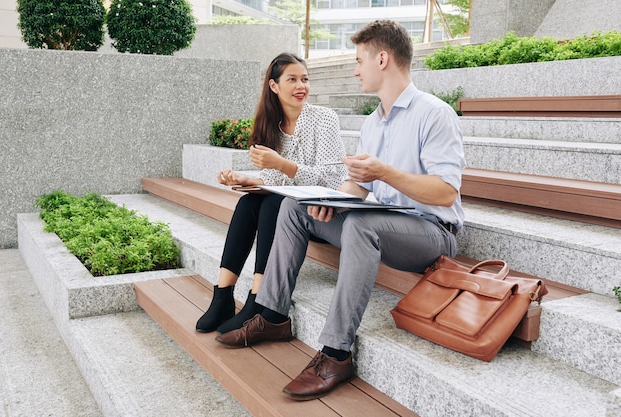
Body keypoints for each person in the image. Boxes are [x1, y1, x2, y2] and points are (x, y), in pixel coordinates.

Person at [215, 20, 466, 400]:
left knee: (362, 226)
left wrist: (384, 172)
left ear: (382, 59)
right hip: (387, 222)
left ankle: (336, 352)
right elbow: (358, 187)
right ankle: (272, 314)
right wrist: (331, 201)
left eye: (359, 60)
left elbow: (446, 192)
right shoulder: (373, 123)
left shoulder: (434, 114)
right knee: (294, 208)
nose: (355, 68)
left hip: (431, 231)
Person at [195, 52, 347, 334]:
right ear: (274, 86)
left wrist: (282, 164)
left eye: (305, 79)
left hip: (317, 212)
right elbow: (275, 180)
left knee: (272, 204)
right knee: (248, 202)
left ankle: (257, 299)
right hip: (287, 208)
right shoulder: (270, 125)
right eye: (292, 79)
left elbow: (333, 178)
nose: (301, 86)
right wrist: (245, 179)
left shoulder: (324, 119)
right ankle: (223, 296)